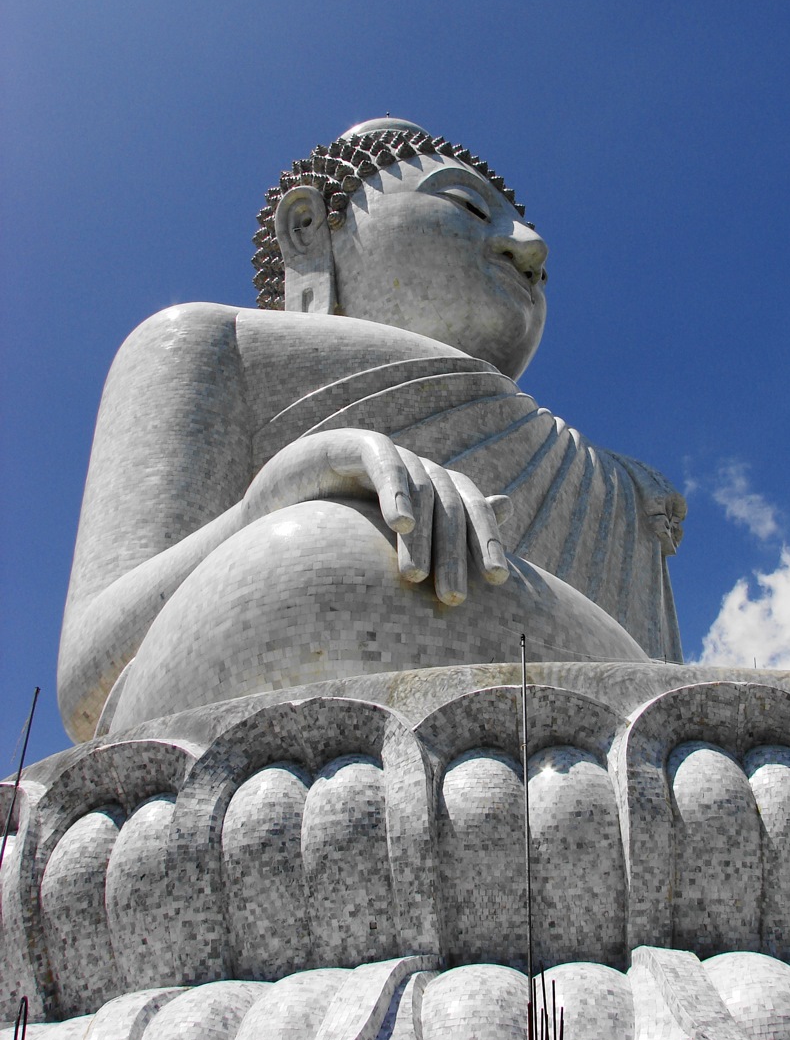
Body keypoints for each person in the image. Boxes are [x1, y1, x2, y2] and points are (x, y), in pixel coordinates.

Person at [57, 119, 686, 742]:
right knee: (312, 555)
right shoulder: (210, 341)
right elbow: (87, 683)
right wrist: (269, 500)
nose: (529, 247)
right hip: (238, 699)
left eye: (529, 235)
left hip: (604, 755)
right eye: (467, 204)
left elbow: (667, 696)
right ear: (306, 229)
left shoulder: (613, 486)